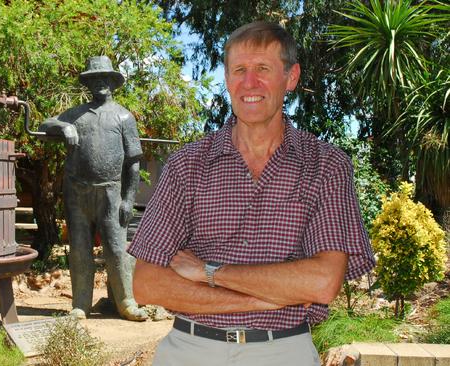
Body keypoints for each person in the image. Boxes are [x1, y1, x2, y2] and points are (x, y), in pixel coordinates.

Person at [127, 21, 375, 365]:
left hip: (285, 351)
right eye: (239, 70)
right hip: (191, 351)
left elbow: (321, 283)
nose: (249, 83)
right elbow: (148, 284)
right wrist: (274, 297)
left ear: (291, 77)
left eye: (263, 69)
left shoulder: (326, 166)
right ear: (227, 80)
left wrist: (209, 272)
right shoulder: (187, 166)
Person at [39, 56, 148, 321]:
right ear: (88, 84)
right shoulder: (76, 115)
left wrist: (128, 200)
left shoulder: (124, 116)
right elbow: (45, 124)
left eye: (103, 79)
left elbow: (133, 163)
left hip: (111, 193)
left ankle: (126, 302)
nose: (99, 84)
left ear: (112, 83)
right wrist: (63, 126)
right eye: (93, 80)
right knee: (79, 247)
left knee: (116, 248)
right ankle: (80, 305)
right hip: (77, 192)